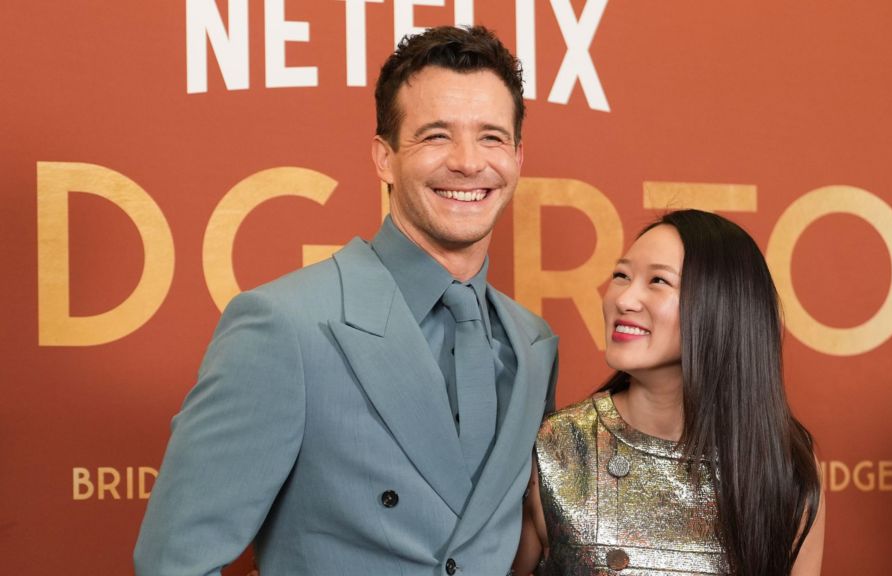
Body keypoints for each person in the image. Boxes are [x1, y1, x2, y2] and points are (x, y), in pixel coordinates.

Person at [135, 26, 558, 575]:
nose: (467, 162)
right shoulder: (285, 326)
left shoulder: (533, 345)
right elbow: (176, 561)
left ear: (519, 158)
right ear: (384, 158)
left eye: (492, 138)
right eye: (435, 136)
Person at [513, 210, 824, 575]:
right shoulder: (559, 447)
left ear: (721, 306)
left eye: (658, 280)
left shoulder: (783, 466)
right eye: (621, 275)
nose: (625, 299)